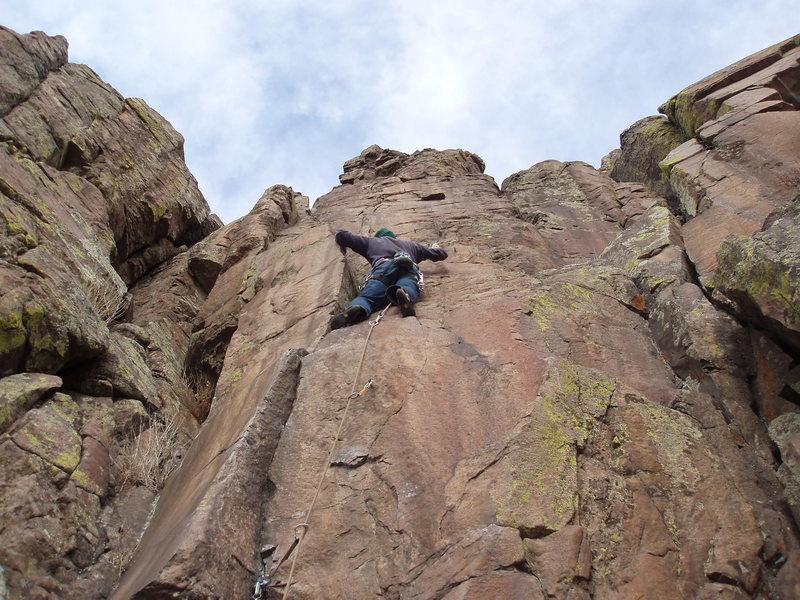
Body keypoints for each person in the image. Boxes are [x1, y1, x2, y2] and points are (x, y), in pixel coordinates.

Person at [331, 227, 448, 329]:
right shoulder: (411, 245)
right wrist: (436, 248)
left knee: (368, 296)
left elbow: (342, 235)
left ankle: (359, 307)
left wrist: (342, 243)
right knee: (408, 284)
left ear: (379, 236)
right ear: (394, 237)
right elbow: (441, 254)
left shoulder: (371, 242)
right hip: (408, 266)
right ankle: (403, 293)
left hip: (383, 268)